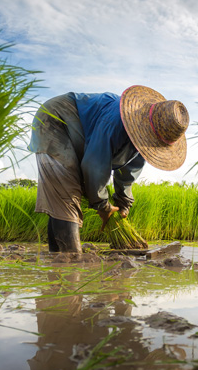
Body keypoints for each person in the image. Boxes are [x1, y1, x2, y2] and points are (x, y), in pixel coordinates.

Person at [28, 85, 189, 253]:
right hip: (55, 119)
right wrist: (103, 206)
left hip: (78, 135)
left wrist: (123, 204)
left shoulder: (144, 142)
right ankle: (71, 260)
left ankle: (58, 258)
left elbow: (128, 172)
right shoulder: (115, 121)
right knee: (67, 191)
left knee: (65, 196)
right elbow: (94, 165)